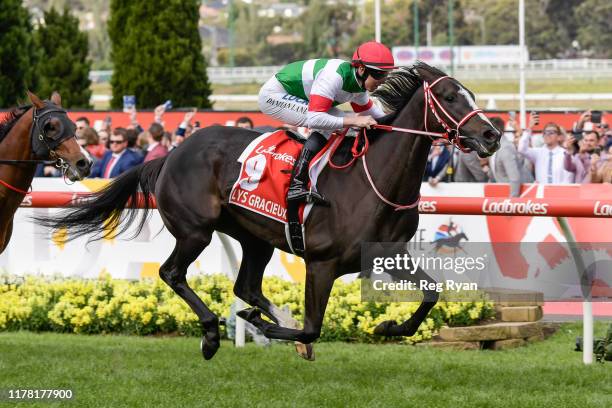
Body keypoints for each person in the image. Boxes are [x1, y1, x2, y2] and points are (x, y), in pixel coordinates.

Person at [258, 41, 396, 205]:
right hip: (273, 96)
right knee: (328, 122)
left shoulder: (359, 84)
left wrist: (399, 125)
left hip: (298, 97)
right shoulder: (334, 77)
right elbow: (316, 118)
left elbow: (372, 113)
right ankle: (296, 185)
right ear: (361, 69)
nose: (383, 81)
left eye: (386, 75)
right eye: (380, 75)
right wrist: (354, 121)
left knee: (335, 119)